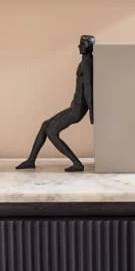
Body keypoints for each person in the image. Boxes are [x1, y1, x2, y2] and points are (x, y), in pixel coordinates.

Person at [16, 35, 95, 172]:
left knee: (51, 131)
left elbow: (88, 87)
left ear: (88, 46)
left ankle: (77, 164)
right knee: (45, 125)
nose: (79, 46)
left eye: (82, 44)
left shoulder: (87, 63)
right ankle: (31, 160)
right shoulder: (84, 62)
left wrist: (92, 110)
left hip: (77, 110)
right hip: (74, 106)